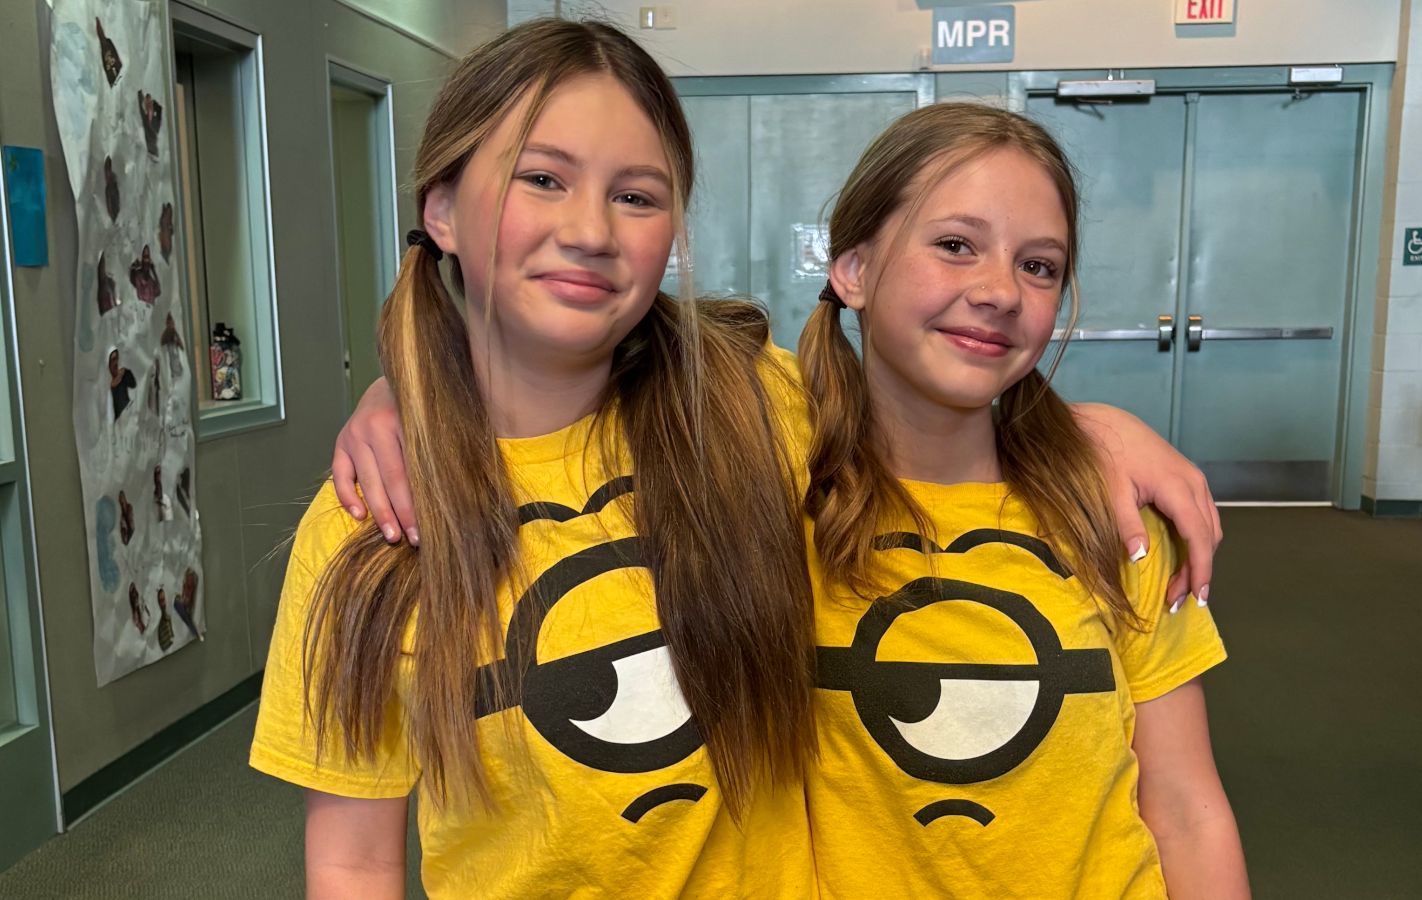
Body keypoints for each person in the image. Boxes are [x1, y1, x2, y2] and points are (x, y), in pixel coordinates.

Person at [252, 20, 818, 899]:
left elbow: (948, 414)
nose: (592, 230)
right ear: (442, 211)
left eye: (637, 196)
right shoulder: (372, 515)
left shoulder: (755, 410)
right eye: (543, 179)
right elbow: (354, 859)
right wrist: (404, 396)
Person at [799, 102, 1248, 898]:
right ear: (855, 269)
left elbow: (1186, 808)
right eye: (956, 245)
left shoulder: (1116, 516)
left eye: (1038, 266)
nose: (1001, 291)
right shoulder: (770, 495)